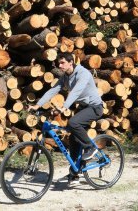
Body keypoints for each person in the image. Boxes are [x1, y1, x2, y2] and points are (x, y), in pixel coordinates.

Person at [28, 52, 103, 185]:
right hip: (84, 107)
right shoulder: (65, 77)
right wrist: (37, 105)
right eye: (59, 63)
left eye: (62, 63)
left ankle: (91, 147)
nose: (60, 65)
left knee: (73, 122)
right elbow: (53, 90)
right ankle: (75, 172)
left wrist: (64, 107)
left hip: (94, 107)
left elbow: (76, 92)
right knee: (74, 137)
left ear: (71, 62)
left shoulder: (83, 73)